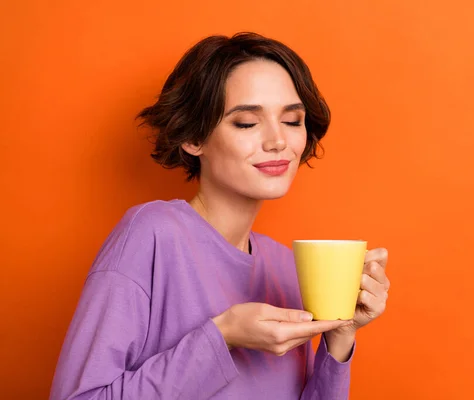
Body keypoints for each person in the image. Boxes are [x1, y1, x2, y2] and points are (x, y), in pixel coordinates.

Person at [49, 32, 390, 400]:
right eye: (246, 123)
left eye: (292, 121)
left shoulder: (286, 266)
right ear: (194, 137)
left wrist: (341, 334)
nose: (278, 141)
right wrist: (223, 336)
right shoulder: (150, 235)